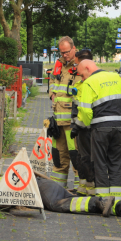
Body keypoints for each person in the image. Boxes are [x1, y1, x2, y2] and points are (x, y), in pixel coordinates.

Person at [75, 59, 121, 211]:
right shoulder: (116, 77)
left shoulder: (89, 83)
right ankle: (117, 204)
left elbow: (86, 110)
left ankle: (103, 202)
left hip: (100, 128)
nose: (82, 79)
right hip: (119, 126)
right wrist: (119, 114)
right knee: (115, 163)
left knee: (100, 163)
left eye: (82, 75)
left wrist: (88, 123)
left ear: (88, 68)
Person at [0, 175, 121, 224]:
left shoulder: (0, 184)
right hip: (46, 185)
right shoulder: (12, 174)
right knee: (75, 200)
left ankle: (98, 203)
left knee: (62, 204)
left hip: (42, 191)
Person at [47, 36, 80, 191]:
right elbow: (52, 80)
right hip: (58, 119)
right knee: (59, 156)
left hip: (73, 122)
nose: (64, 55)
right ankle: (58, 190)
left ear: (73, 48)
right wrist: (52, 94)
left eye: (67, 52)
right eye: (62, 52)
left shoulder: (81, 65)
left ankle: (81, 189)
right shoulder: (59, 64)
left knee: (76, 155)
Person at [71, 49, 95, 196]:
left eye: (77, 65)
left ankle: (91, 189)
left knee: (88, 157)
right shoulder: (80, 83)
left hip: (88, 127)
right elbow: (76, 106)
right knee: (81, 157)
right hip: (80, 126)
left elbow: (87, 109)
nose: (76, 69)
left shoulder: (90, 83)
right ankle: (83, 187)